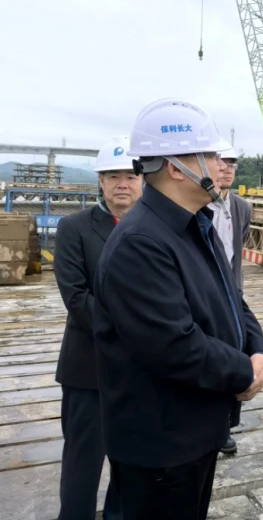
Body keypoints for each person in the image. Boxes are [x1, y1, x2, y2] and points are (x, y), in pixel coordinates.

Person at [93, 99, 263, 520]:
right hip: (162, 444)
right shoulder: (142, 242)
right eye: (211, 155)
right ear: (176, 167)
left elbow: (231, 295)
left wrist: (259, 348)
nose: (221, 165)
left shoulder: (193, 223)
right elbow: (174, 344)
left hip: (195, 430)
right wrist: (244, 371)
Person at [54, 136, 141, 520]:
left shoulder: (158, 228)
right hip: (89, 367)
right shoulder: (74, 227)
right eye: (113, 176)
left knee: (132, 460)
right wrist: (140, 331)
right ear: (100, 181)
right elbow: (76, 298)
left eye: (131, 176)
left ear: (144, 180)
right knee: (83, 460)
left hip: (142, 372)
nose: (123, 184)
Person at [210, 144, 253, 455]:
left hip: (231, 290)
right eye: (220, 162)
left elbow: (239, 246)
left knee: (231, 353)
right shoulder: (197, 204)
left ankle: (223, 426)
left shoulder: (241, 208)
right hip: (200, 290)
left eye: (232, 164)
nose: (226, 169)